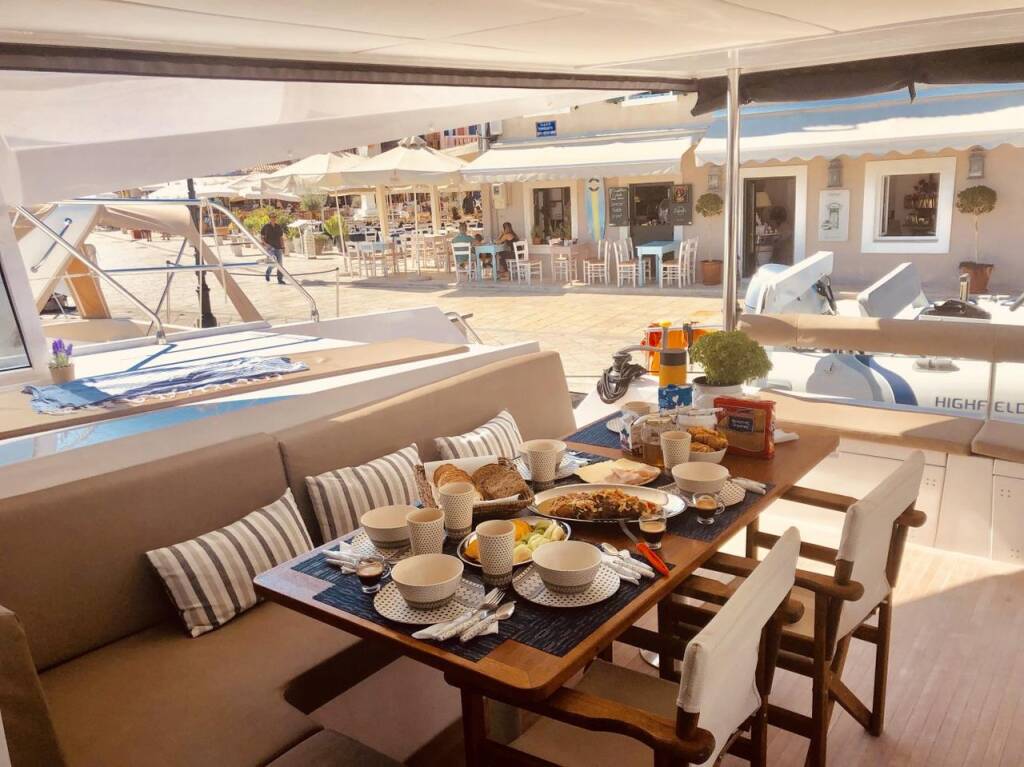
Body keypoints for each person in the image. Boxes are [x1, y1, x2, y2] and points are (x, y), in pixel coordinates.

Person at [261, 210, 287, 284]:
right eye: (272, 217)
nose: (273, 218)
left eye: (275, 217)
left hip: (278, 247)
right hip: (270, 248)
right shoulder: (265, 227)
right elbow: (262, 237)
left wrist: (283, 247)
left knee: (280, 264)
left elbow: (281, 238)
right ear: (269, 218)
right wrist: (266, 244)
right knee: (273, 262)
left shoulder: (278, 226)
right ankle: (268, 272)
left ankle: (280, 279)